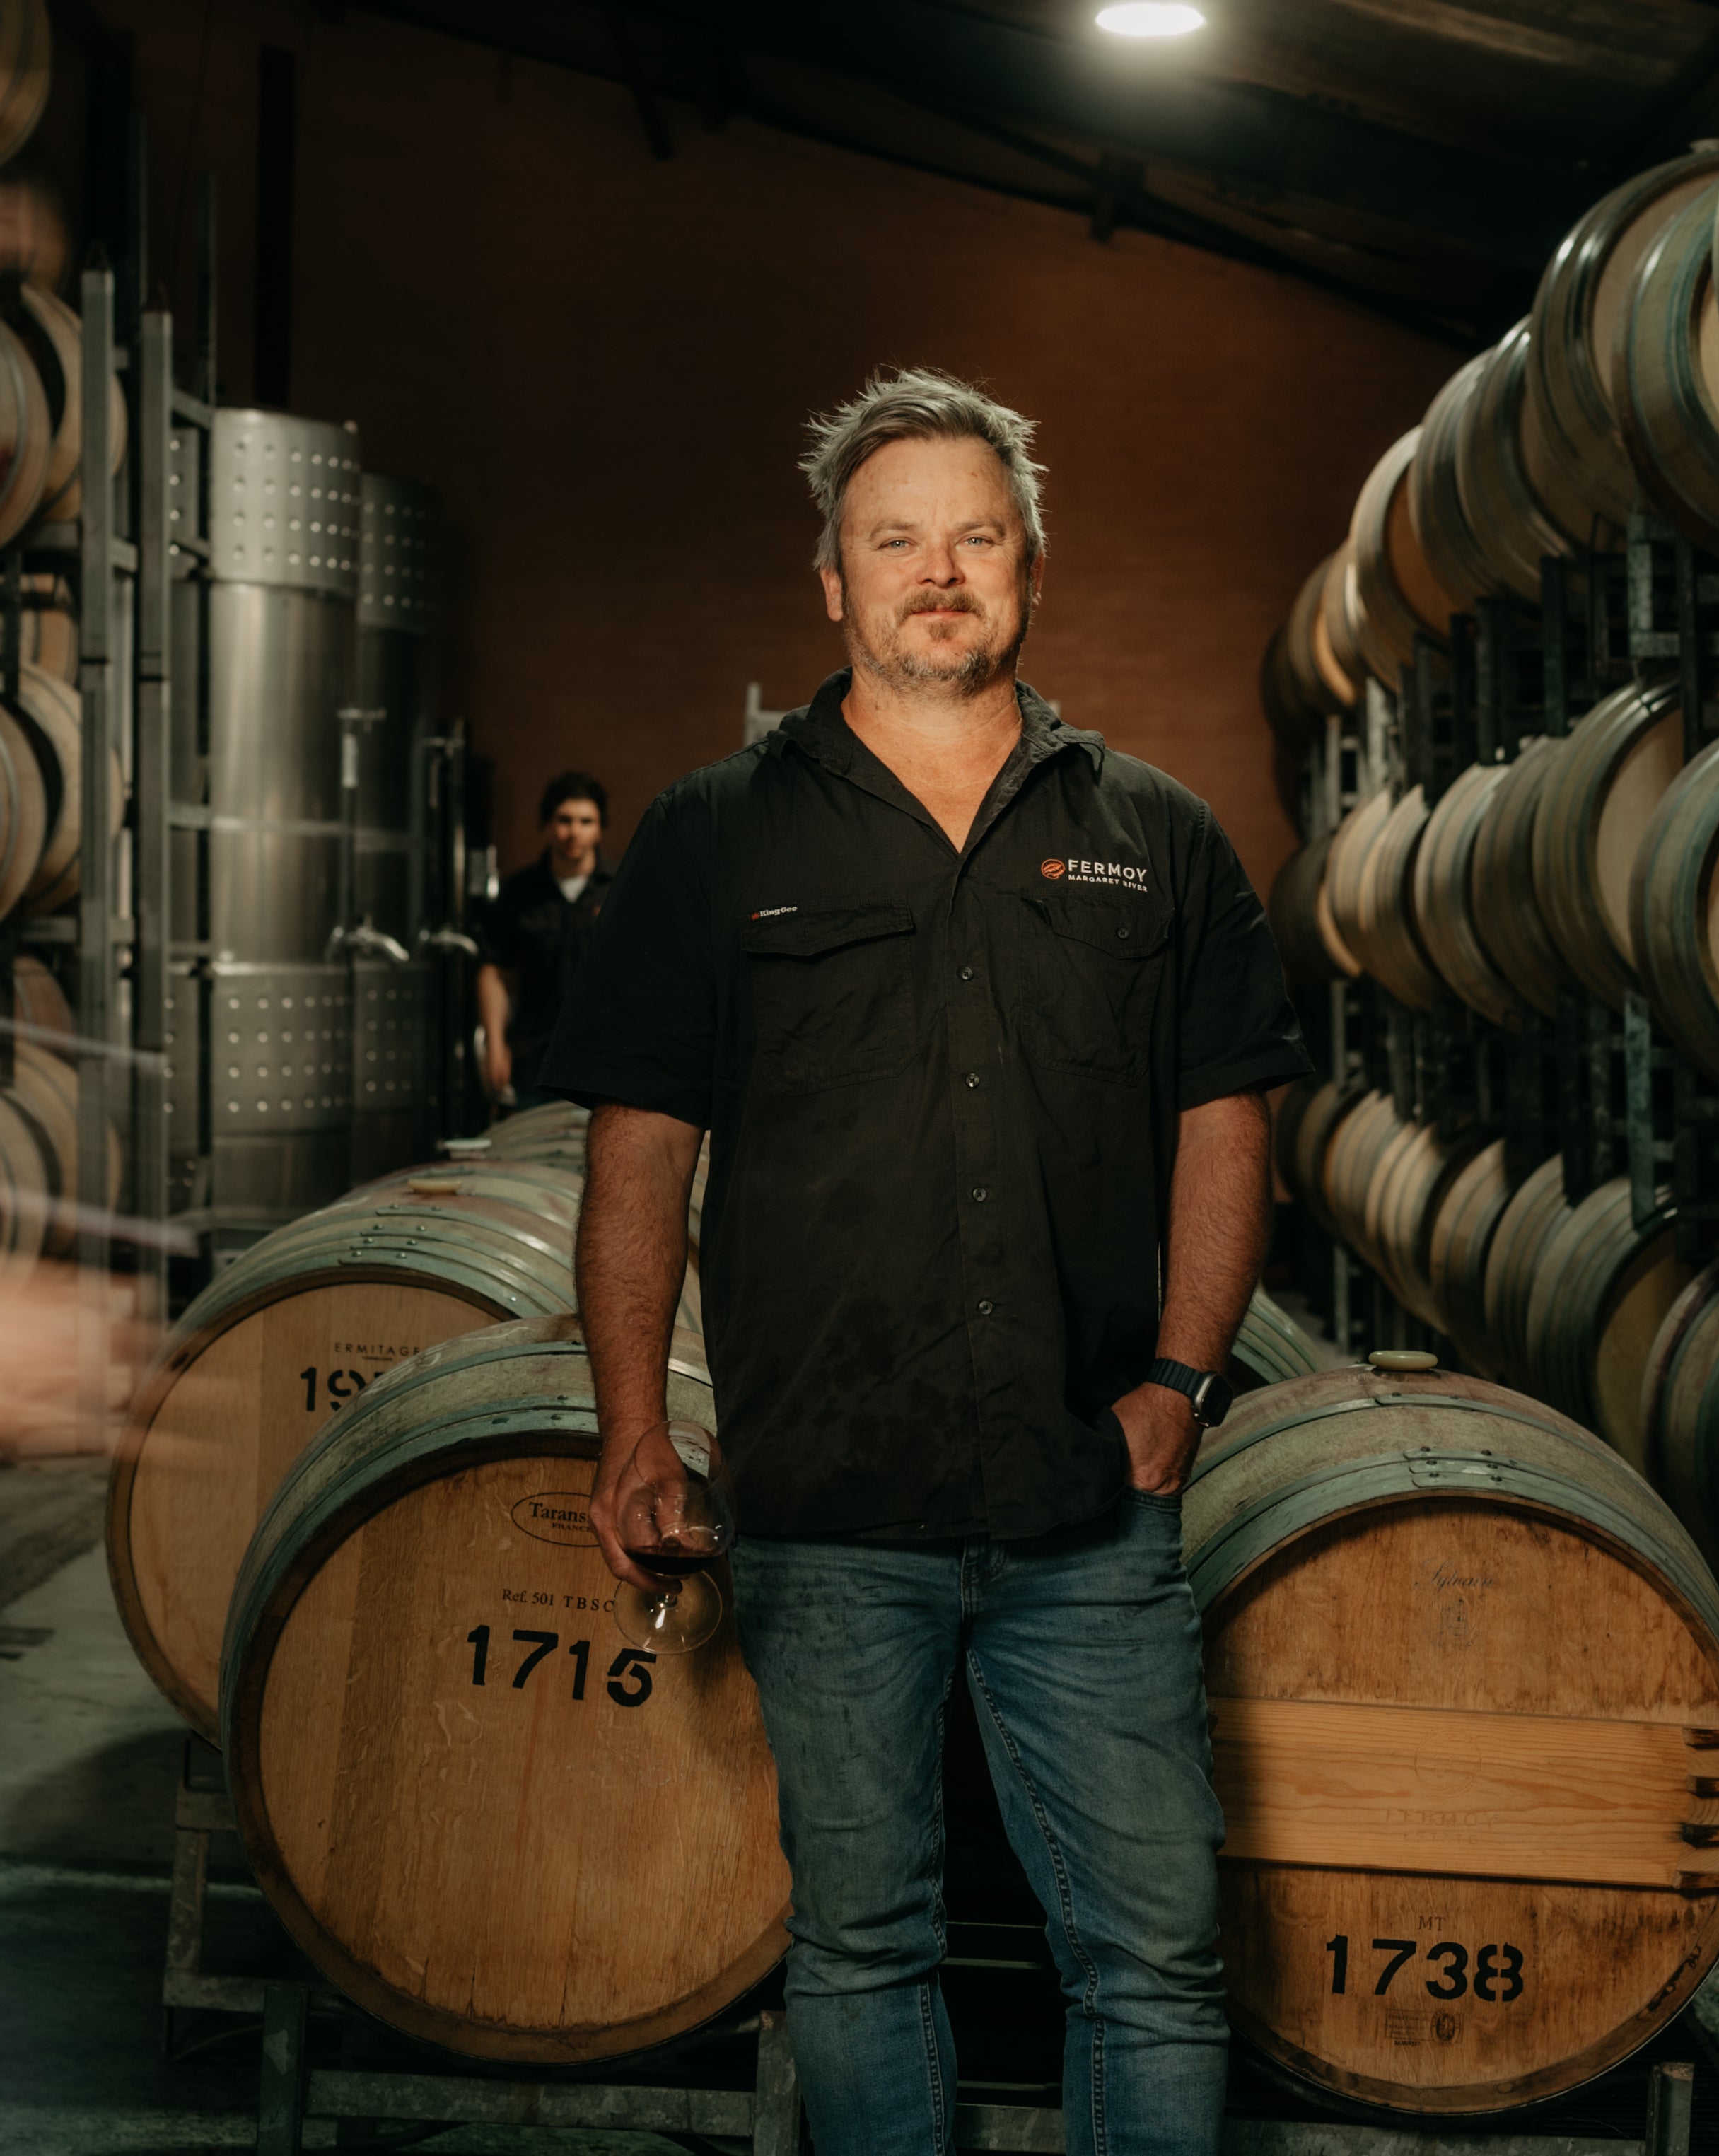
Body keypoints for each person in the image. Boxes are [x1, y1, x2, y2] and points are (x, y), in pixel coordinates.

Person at [546, 368, 1307, 2152]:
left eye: (974, 535)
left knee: (1149, 1959)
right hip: (823, 1502)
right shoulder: (711, 832)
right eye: (895, 539)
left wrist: (1181, 1383)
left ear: (1028, 567)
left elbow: (1226, 1125)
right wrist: (633, 1429)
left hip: (1083, 1504)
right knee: (863, 1945)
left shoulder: (1156, 836)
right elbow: (638, 1149)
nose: (936, 570)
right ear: (832, 577)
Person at [476, 773, 614, 1109]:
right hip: (535, 1059)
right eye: (564, 820)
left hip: (607, 1061)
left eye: (586, 821)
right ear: (547, 825)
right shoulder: (520, 891)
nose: (574, 831)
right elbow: (494, 971)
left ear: (599, 828)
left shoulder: (621, 889)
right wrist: (495, 1043)